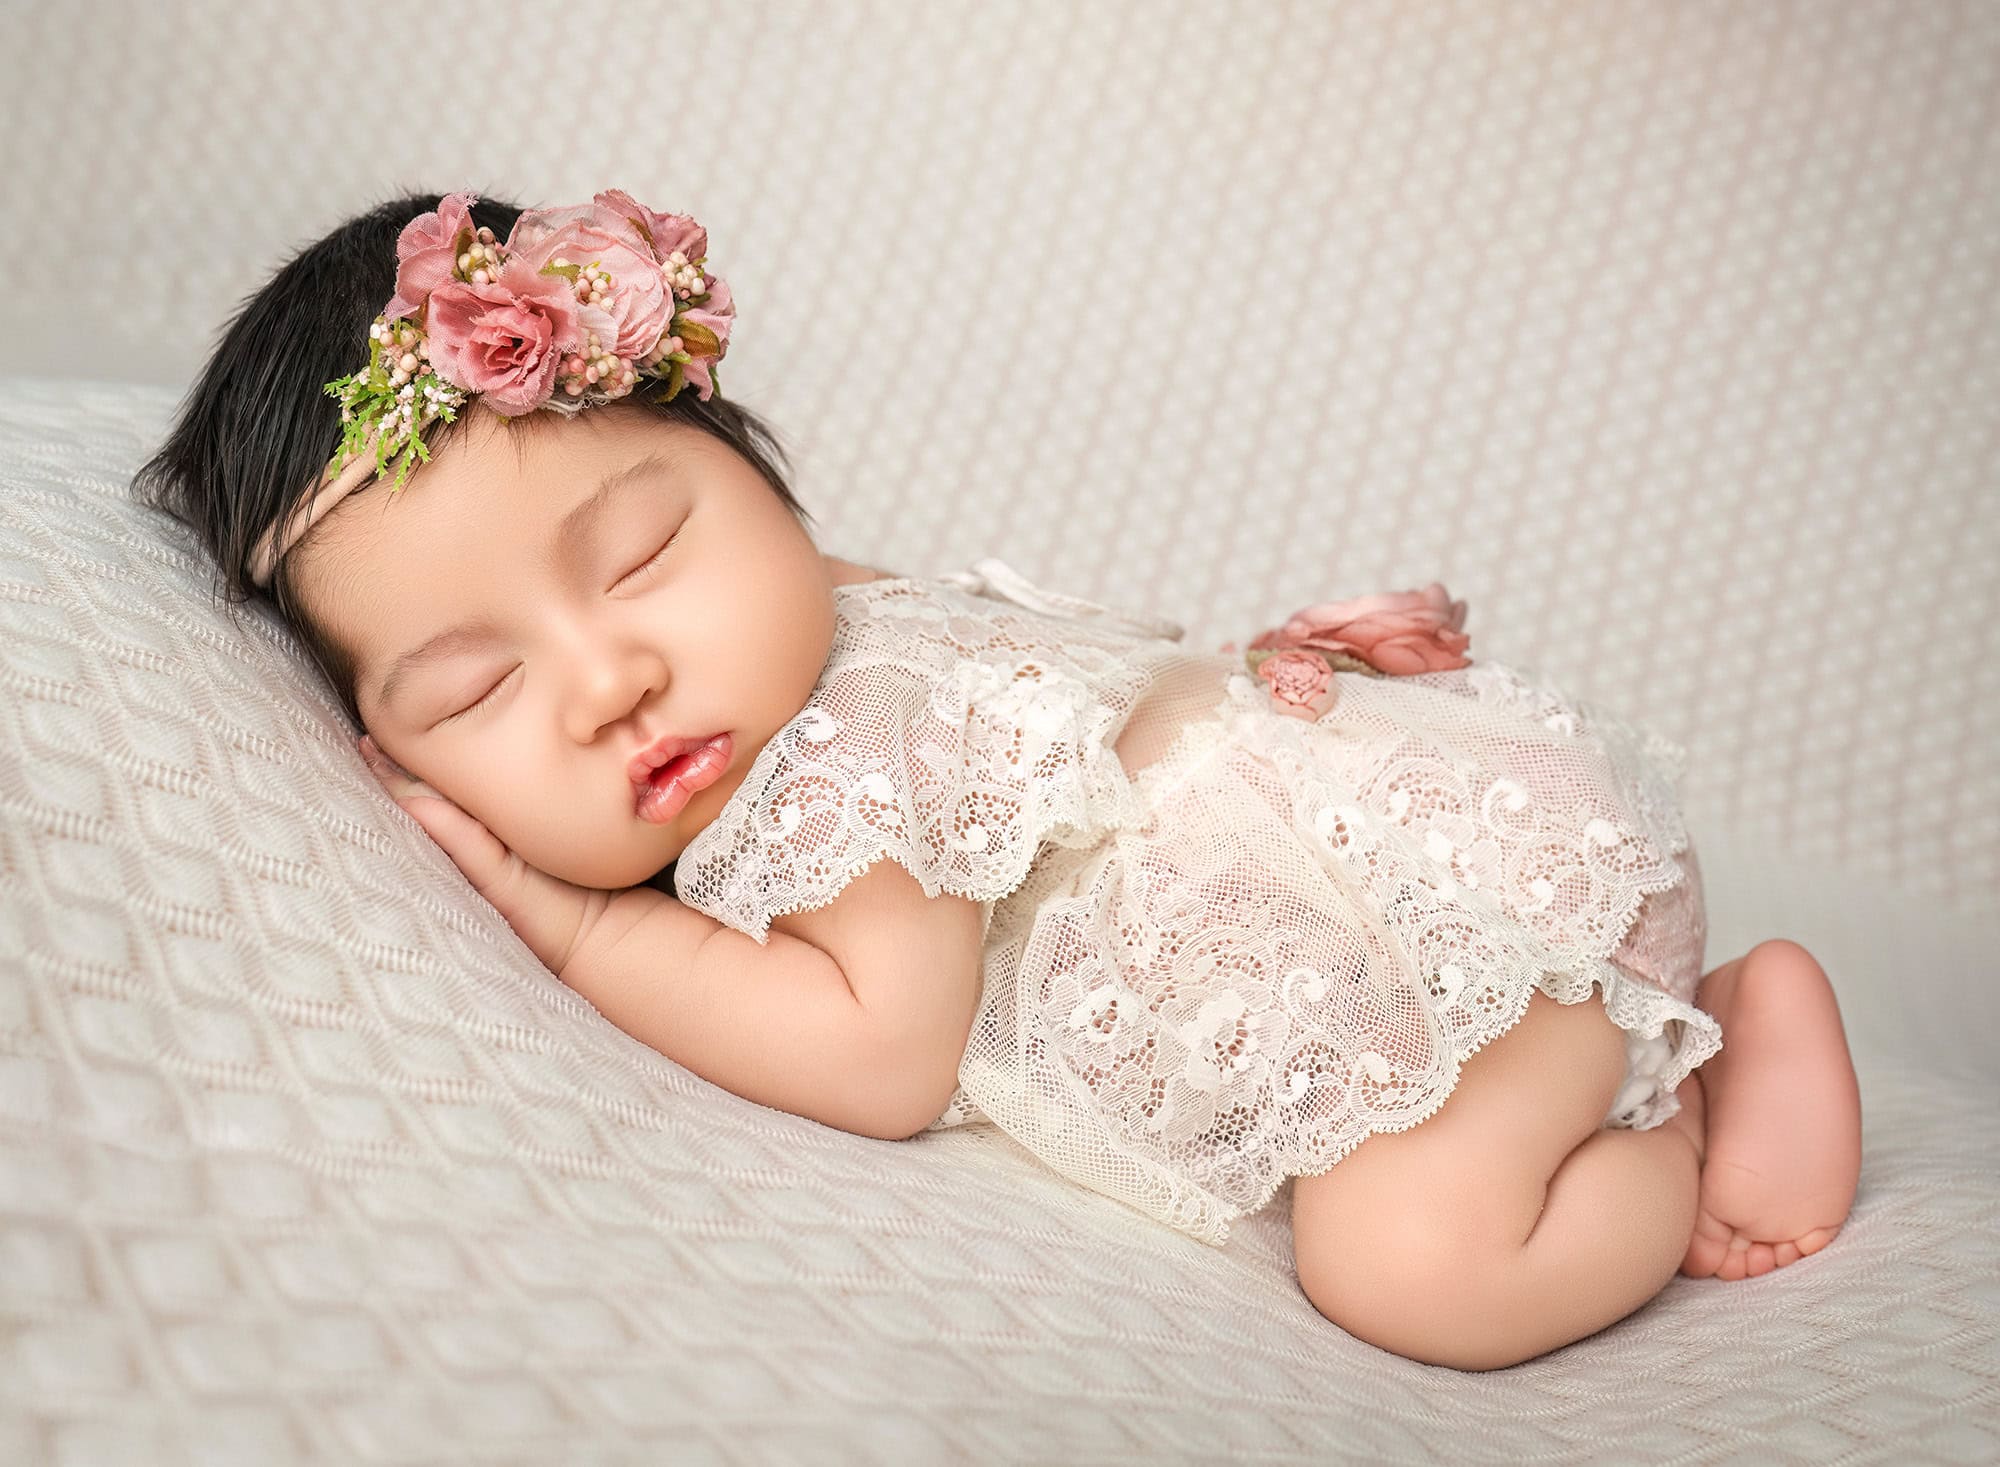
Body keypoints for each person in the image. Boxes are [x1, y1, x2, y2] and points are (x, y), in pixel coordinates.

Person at [133, 189, 1864, 1371]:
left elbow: (881, 1055)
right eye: (482, 688)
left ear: (761, 487)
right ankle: (1676, 1031)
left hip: (1465, 921)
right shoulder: (791, 639)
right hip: (1435, 872)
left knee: (1413, 1265)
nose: (610, 682)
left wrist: (570, 921)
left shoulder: (854, 742)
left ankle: (1687, 1091)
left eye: (645, 553)